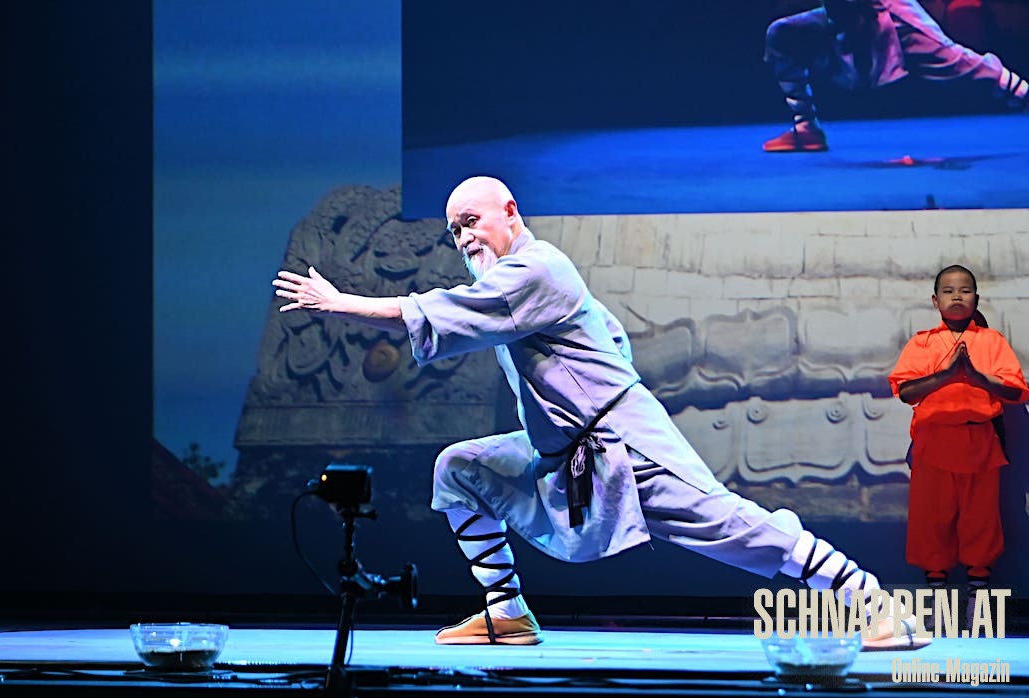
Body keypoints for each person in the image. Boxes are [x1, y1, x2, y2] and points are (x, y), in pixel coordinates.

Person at [273, 175, 929, 649]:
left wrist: (341, 303)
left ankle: (874, 604)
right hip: (563, 454)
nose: (465, 237)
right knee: (461, 467)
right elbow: (598, 337)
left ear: (510, 211)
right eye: (455, 230)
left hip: (622, 443)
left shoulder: (537, 269)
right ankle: (507, 612)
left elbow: (440, 311)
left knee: (732, 527)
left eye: (472, 220)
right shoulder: (513, 283)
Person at [888, 264, 1027, 624]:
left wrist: (978, 378)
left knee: (981, 522)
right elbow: (906, 392)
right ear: (935, 300)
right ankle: (937, 603)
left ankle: (976, 602)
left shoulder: (992, 341)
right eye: (948, 291)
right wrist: (947, 375)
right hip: (934, 443)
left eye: (964, 290)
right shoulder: (922, 342)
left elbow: (1015, 391)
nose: (956, 297)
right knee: (932, 522)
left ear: (976, 299)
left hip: (980, 442)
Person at [761, 0, 1028, 152]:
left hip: (887, 14)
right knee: (782, 34)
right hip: (842, 15)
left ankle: (1023, 93)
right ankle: (806, 129)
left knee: (958, 61)